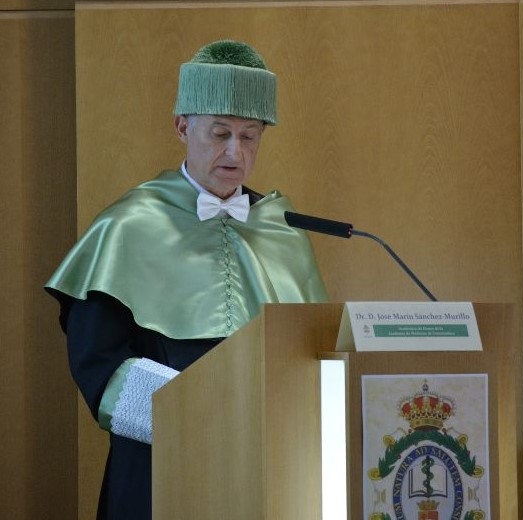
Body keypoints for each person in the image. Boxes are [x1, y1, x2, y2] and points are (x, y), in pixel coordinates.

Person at [45, 40, 328, 520]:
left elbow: (310, 350)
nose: (235, 153)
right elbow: (99, 365)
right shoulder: (125, 227)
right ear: (183, 127)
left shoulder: (285, 230)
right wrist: (198, 413)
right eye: (219, 134)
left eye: (250, 136)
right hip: (159, 466)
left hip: (267, 467)